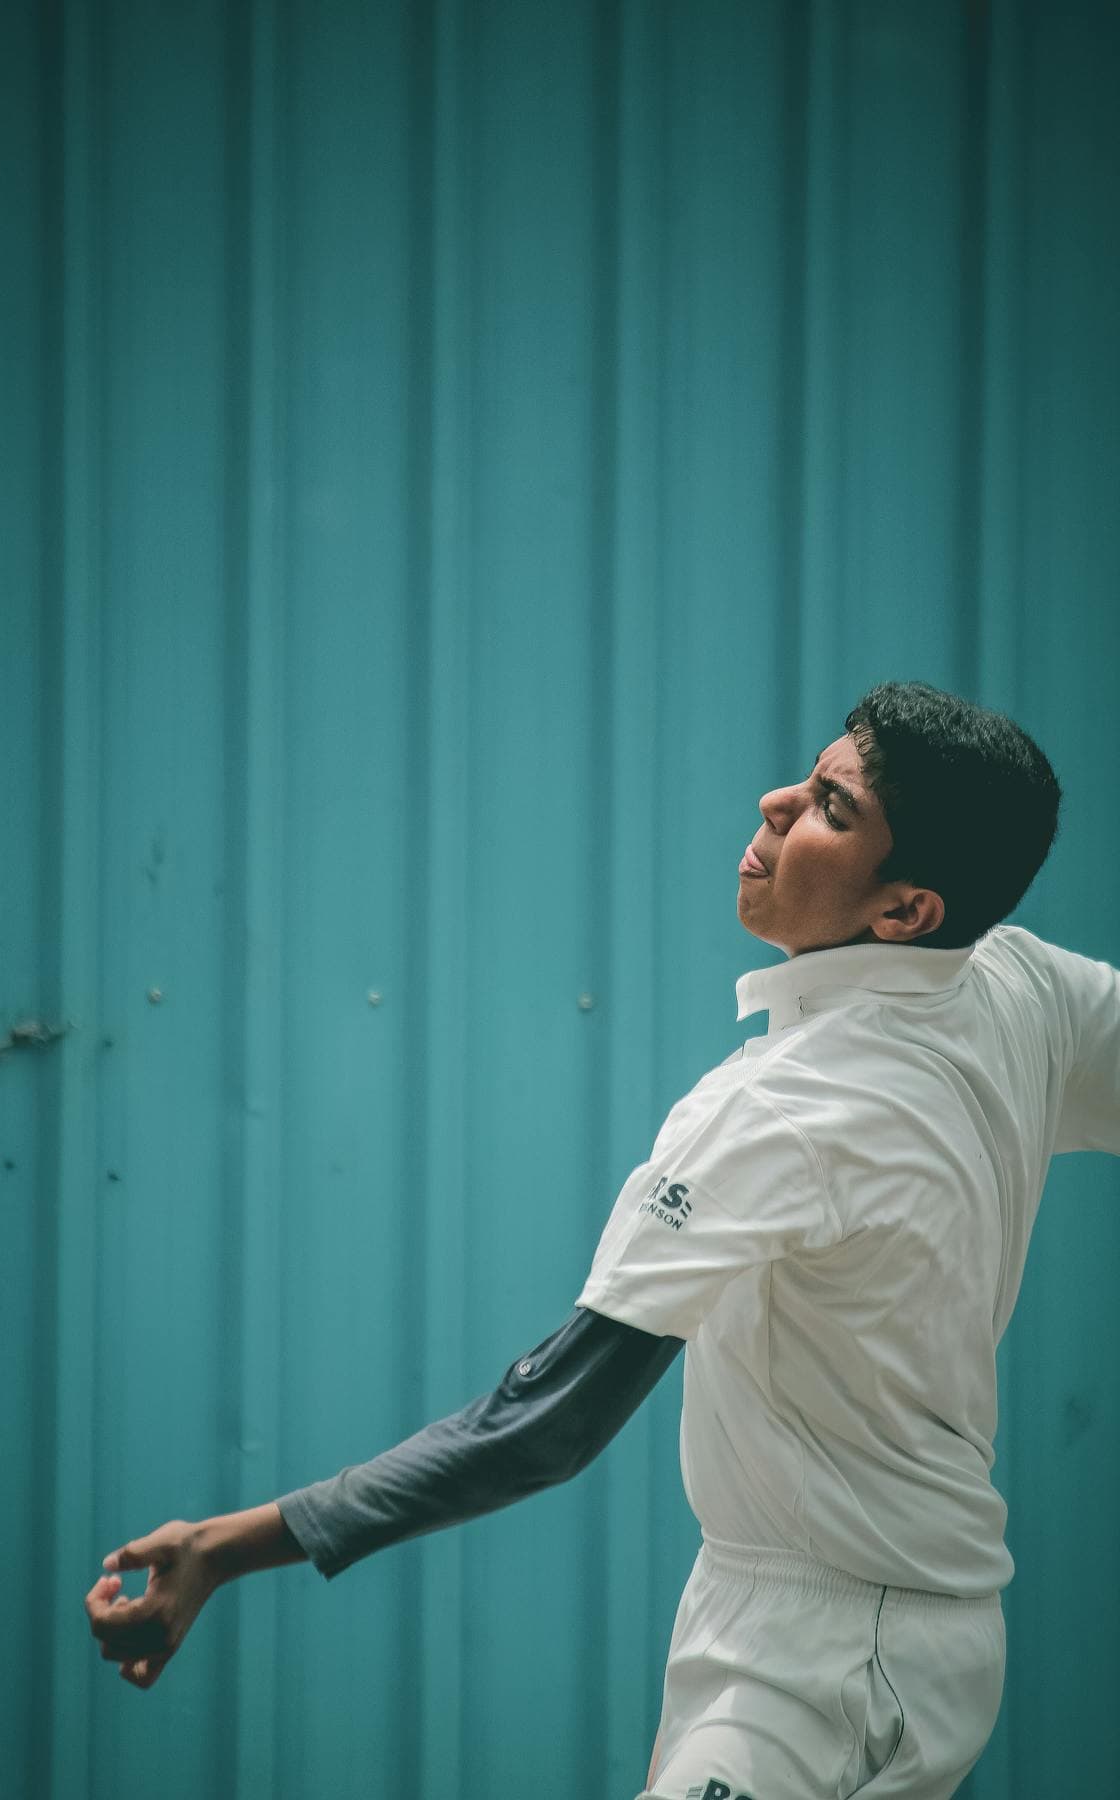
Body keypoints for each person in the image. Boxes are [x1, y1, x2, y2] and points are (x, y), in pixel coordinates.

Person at [85, 679, 1115, 1799]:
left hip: (831, 1664)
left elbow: (543, 1424)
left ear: (908, 910)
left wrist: (228, 1547)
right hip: (888, 1631)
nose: (773, 804)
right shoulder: (1014, 983)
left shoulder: (776, 1114)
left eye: (829, 806)